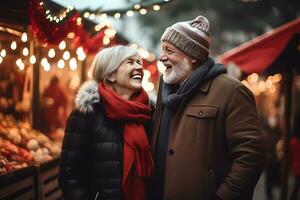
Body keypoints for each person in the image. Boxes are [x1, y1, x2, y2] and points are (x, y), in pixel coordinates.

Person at [151, 15, 266, 200]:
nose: (161, 56)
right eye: (162, 49)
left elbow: (251, 156)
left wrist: (223, 196)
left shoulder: (231, 91)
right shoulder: (165, 89)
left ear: (193, 56)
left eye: (169, 50)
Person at [58, 45, 154, 200]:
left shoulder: (150, 113)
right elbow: (70, 175)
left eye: (139, 62)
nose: (139, 67)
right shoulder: (86, 114)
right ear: (111, 75)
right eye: (130, 62)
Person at [289, 113, 300, 200]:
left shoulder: (294, 137)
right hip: (297, 166)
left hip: (296, 166)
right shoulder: (295, 139)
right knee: (296, 186)